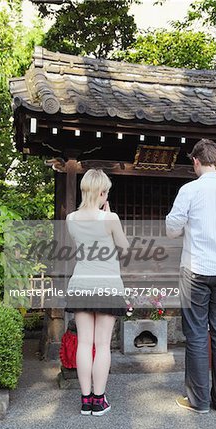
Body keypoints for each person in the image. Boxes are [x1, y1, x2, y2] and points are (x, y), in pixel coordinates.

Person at [166, 138, 216, 414]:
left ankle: (199, 401)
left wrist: (189, 225)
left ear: (196, 161)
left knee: (198, 333)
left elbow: (172, 230)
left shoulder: (189, 190)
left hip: (196, 270)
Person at [64, 169, 129, 416]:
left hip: (81, 284)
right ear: (102, 192)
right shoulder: (110, 218)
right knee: (102, 345)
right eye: (106, 192)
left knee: (84, 343)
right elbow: (123, 247)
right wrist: (108, 214)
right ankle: (99, 400)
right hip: (107, 285)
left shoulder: (71, 219)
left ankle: (85, 400)